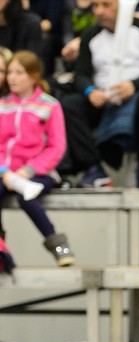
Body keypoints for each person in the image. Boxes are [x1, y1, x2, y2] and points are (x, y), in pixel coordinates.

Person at [59, 0, 139, 189]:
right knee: (69, 104)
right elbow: (81, 74)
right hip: (103, 96)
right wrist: (90, 91)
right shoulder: (90, 35)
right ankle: (93, 168)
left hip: (138, 93)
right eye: (95, 6)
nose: (99, 11)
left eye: (106, 5)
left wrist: (133, 85)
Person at [0, 50, 72, 272]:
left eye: (19, 72)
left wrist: (28, 171)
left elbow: (57, 147)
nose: (12, 77)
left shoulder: (49, 105)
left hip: (39, 172)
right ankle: (2, 252)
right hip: (5, 172)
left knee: (27, 198)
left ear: (33, 76)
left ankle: (60, 248)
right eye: (9, 71)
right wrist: (5, 171)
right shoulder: (2, 105)